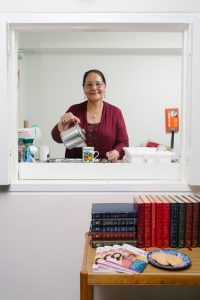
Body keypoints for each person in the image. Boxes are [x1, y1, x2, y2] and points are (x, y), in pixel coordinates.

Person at [51, 69, 129, 162]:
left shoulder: (115, 112)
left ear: (104, 87)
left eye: (98, 84)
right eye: (89, 84)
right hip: (75, 170)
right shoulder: (74, 110)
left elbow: (124, 143)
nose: (94, 88)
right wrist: (62, 125)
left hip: (106, 169)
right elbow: (56, 138)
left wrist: (116, 152)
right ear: (84, 89)